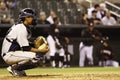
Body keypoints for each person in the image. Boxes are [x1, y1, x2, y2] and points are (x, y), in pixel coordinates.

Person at [1, 8, 49, 76]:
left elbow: (23, 44)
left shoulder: (20, 26)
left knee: (37, 55)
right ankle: (14, 68)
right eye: (32, 17)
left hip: (12, 53)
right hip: (9, 54)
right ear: (26, 18)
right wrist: (40, 50)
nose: (33, 19)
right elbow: (25, 48)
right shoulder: (21, 28)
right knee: (38, 57)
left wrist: (33, 45)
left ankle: (17, 69)